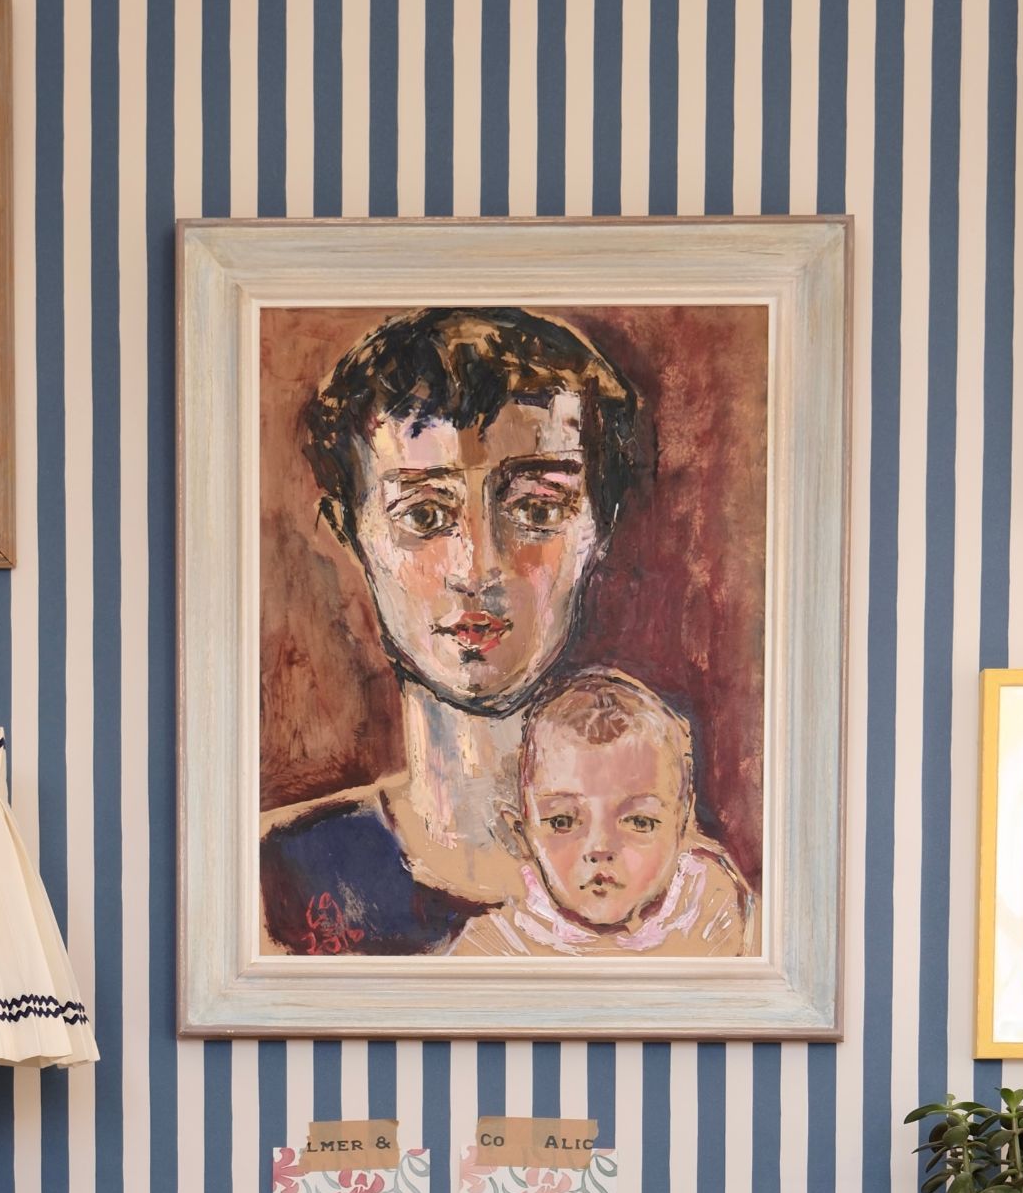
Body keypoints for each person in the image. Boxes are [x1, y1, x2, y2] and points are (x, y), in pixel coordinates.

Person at [261, 306, 645, 956]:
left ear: (597, 528)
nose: (478, 566)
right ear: (354, 534)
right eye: (426, 513)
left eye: (536, 508)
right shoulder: (275, 879)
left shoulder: (684, 891)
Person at [448, 669, 757, 958]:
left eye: (639, 822)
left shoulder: (714, 905)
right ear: (522, 832)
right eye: (562, 822)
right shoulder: (496, 946)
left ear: (683, 823)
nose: (600, 848)